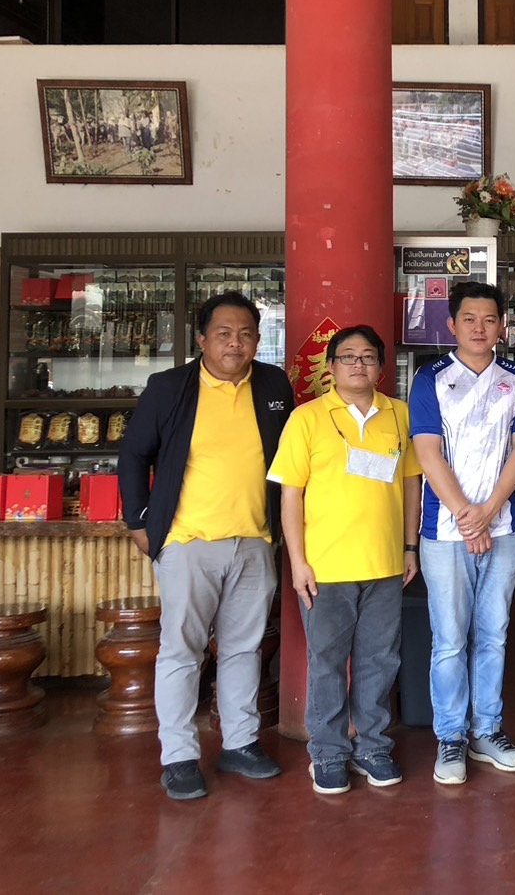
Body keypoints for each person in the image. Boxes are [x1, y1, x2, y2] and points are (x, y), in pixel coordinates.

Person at [118, 291, 294, 801]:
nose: (235, 343)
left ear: (259, 340)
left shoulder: (273, 384)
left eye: (245, 334)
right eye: (224, 333)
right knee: (182, 651)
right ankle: (178, 755)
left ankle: (239, 743)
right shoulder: (169, 387)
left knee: (244, 648)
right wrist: (138, 521)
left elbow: (292, 458)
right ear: (201, 339)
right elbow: (133, 454)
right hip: (188, 541)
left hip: (254, 541)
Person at [268, 325, 423, 795]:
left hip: (384, 566)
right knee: (328, 662)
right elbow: (290, 495)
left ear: (381, 367)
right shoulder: (307, 418)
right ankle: (329, 753)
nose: (359, 364)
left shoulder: (399, 414)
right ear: (331, 367)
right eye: (349, 357)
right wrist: (298, 561)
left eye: (369, 357)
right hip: (326, 567)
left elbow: (411, 482)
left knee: (380, 660)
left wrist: (410, 546)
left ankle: (373, 747)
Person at [410, 280, 515, 785]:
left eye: (489, 320)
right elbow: (427, 451)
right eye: (469, 320)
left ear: (501, 326)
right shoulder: (431, 377)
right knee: (448, 639)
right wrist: (467, 513)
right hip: (445, 529)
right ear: (451, 325)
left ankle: (488, 730)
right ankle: (451, 738)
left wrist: (489, 511)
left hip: (502, 526)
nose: (479, 328)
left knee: (494, 634)